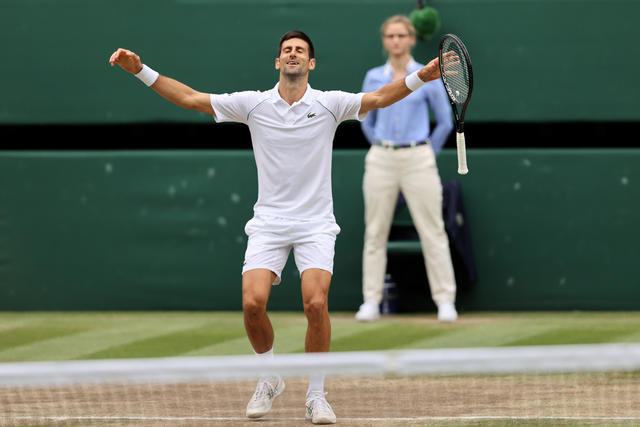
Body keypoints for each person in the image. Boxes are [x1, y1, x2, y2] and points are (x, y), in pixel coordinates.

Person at [109, 30, 446, 424]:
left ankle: (317, 395)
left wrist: (422, 76)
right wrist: (140, 71)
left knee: (315, 303)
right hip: (268, 223)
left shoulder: (330, 103)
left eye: (300, 51)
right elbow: (191, 99)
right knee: (252, 304)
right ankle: (269, 377)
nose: (293, 54)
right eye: (287, 50)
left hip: (316, 224)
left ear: (311, 63)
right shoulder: (253, 105)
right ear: (277, 61)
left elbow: (378, 98)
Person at [355, 15, 459, 323]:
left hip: (418, 159)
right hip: (381, 158)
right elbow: (366, 118)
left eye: (401, 35)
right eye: (390, 36)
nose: (396, 41)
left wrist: (426, 151)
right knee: (375, 232)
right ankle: (371, 301)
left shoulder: (426, 76)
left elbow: (444, 121)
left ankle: (445, 301)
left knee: (433, 231)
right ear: (384, 40)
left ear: (411, 39)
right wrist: (378, 143)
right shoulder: (373, 76)